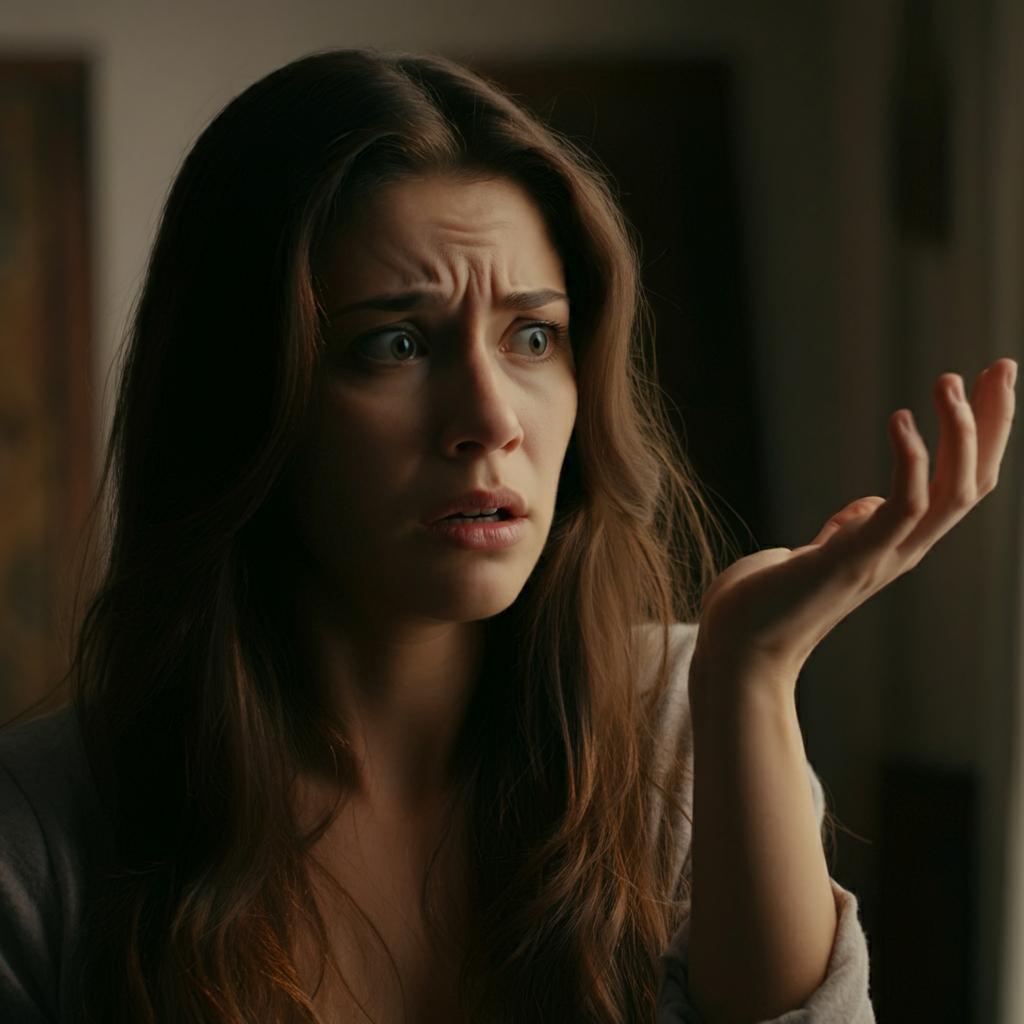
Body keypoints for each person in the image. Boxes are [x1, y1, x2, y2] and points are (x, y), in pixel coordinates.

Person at [0, 46, 1014, 1024]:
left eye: (532, 336)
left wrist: (750, 668)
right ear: (242, 397)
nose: (490, 418)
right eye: (393, 344)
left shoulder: (682, 725)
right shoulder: (44, 830)